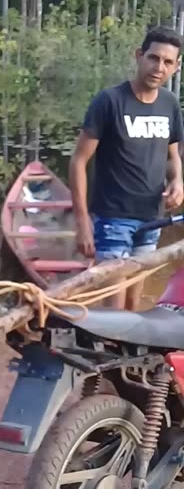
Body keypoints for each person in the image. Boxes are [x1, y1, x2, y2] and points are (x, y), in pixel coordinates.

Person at [70, 26, 184, 310]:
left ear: (176, 67)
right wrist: (83, 222)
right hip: (113, 218)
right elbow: (79, 161)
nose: (159, 67)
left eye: (168, 62)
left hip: (152, 218)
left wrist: (178, 181)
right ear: (139, 56)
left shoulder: (169, 103)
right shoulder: (109, 101)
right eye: (153, 58)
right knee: (115, 306)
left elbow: (173, 155)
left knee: (134, 303)